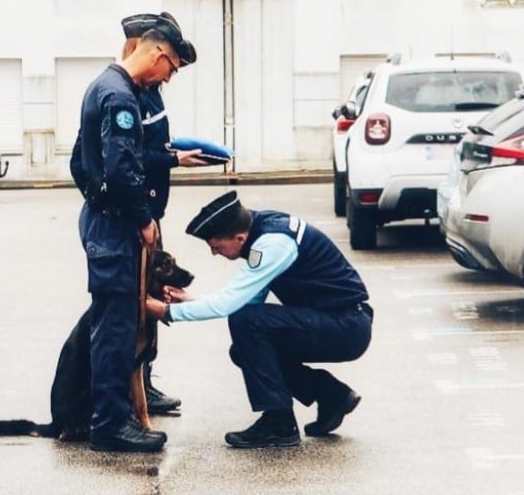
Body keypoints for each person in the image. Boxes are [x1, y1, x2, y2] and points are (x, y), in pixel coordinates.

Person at [146, 191, 374, 449]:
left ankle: (279, 423)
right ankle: (331, 395)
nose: (213, 253)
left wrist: (166, 312)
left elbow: (234, 305)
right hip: (339, 320)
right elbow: (247, 299)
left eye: (216, 246)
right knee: (243, 348)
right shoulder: (261, 231)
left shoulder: (273, 244)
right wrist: (190, 301)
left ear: (239, 238)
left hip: (346, 326)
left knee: (247, 322)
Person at [69, 15, 191, 453]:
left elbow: (81, 165)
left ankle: (115, 416)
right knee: (116, 327)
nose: (169, 77)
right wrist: (141, 218)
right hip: (116, 226)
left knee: (115, 323)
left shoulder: (106, 85)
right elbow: (121, 169)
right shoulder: (120, 97)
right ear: (159, 54)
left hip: (105, 219)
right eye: (172, 68)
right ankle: (110, 424)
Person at [121, 12, 203, 416]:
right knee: (137, 303)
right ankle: (135, 386)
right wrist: (172, 159)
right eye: (168, 61)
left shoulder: (148, 91)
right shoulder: (128, 93)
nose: (168, 73)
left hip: (151, 210)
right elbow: (130, 157)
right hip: (140, 214)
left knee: (151, 298)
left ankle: (145, 381)